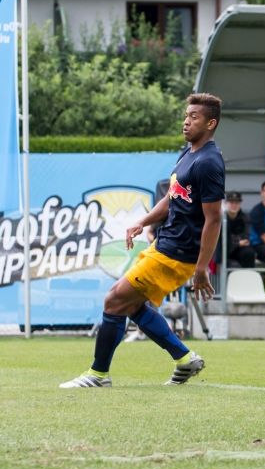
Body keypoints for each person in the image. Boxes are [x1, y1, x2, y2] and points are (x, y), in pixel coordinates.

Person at [60, 93, 223, 388]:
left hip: (178, 254)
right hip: (164, 244)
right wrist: (142, 221)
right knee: (132, 306)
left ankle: (98, 374)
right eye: (186, 115)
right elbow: (172, 198)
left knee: (114, 300)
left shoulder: (209, 162)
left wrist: (201, 267)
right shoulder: (188, 154)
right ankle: (185, 360)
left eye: (194, 117)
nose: (187, 121)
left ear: (211, 123)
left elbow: (214, 219)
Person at [224, 191, 255, 268]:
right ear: (226, 203)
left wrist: (232, 241)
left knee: (249, 253)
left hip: (238, 249)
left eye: (237, 203)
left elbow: (246, 238)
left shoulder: (245, 218)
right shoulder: (221, 219)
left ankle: (248, 277)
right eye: (231, 202)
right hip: (225, 249)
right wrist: (237, 242)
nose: (234, 205)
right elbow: (221, 239)